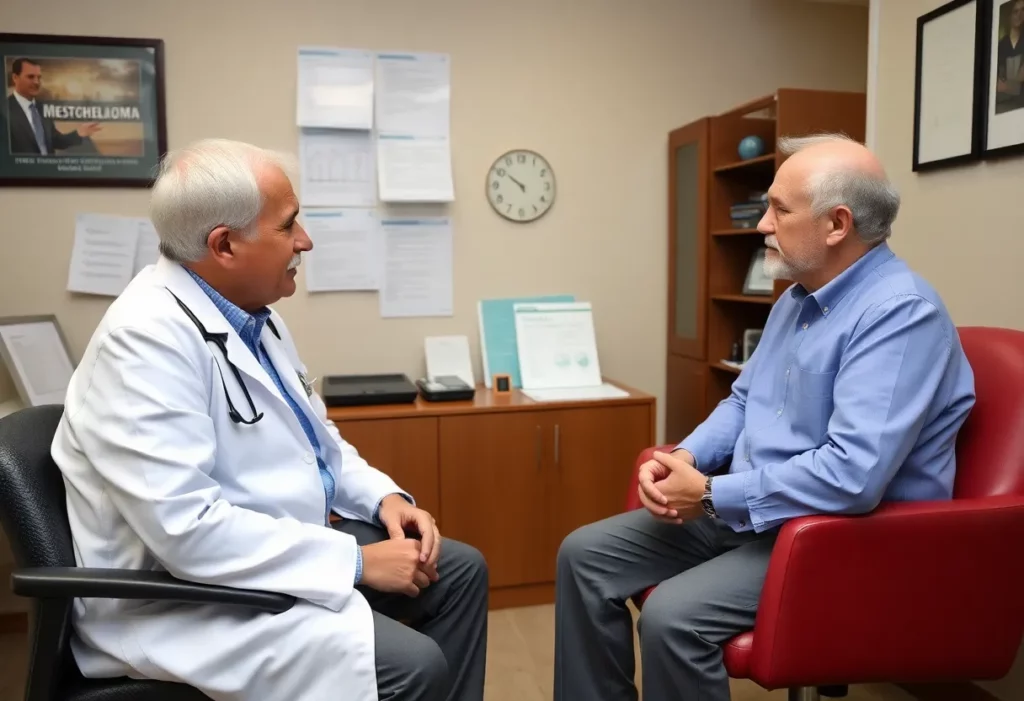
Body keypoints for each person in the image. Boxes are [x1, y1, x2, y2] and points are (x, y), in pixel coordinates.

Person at [51, 138, 488, 701]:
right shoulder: (143, 340)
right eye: (289, 226)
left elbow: (319, 445)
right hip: (183, 598)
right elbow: (185, 531)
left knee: (458, 571)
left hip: (264, 551)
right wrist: (357, 561)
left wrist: (386, 500)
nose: (305, 241)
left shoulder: (255, 320)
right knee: (413, 665)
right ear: (225, 245)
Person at [553, 133, 975, 701]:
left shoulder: (901, 314)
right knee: (584, 557)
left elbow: (853, 476)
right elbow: (745, 402)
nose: (762, 224)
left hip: (841, 537)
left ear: (837, 224)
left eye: (779, 209)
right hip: (754, 514)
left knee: (674, 618)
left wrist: (708, 495)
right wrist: (685, 457)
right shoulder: (796, 299)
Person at [6, 57, 102, 155]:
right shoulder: (5, 109)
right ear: (15, 78)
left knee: (87, 146)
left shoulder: (42, 108)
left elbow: (55, 140)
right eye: (30, 77)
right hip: (22, 169)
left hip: (49, 167)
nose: (36, 82)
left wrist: (79, 133)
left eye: (39, 77)